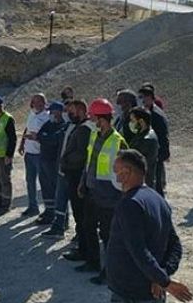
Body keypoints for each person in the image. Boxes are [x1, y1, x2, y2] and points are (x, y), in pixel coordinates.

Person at [108, 149, 192, 303]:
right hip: (152, 294)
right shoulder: (158, 199)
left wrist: (164, 281)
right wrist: (162, 275)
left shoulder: (129, 204)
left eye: (117, 172)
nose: (115, 178)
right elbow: (175, 244)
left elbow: (139, 251)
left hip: (131, 297)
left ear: (127, 172)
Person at [77, 98, 128, 285]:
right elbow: (89, 162)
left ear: (103, 118)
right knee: (88, 226)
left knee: (108, 235)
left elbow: (127, 170)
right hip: (92, 191)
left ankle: (110, 271)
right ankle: (93, 262)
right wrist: (83, 182)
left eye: (94, 118)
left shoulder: (118, 141)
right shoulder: (94, 135)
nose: (92, 121)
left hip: (109, 196)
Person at [45, 100, 94, 241]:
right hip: (65, 170)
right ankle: (59, 226)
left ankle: (82, 236)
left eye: (71, 111)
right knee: (61, 199)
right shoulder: (71, 126)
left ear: (81, 111)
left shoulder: (86, 128)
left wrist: (66, 163)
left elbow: (81, 154)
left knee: (80, 207)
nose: (68, 114)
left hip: (75, 173)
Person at [35, 101, 67, 224]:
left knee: (55, 189)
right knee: (45, 187)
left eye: (52, 111)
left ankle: (57, 215)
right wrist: (45, 137)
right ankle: (48, 211)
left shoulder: (63, 126)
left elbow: (54, 140)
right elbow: (39, 135)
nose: (50, 114)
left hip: (53, 162)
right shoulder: (49, 123)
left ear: (59, 112)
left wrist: (45, 137)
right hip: (43, 160)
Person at [18, 93, 50, 216]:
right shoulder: (31, 114)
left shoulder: (46, 117)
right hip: (29, 153)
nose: (37, 104)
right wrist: (22, 144)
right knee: (30, 181)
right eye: (35, 101)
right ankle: (33, 206)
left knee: (44, 182)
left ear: (44, 103)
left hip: (40, 154)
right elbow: (26, 129)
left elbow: (47, 136)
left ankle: (48, 209)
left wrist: (36, 138)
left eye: (39, 101)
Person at [138, 86, 170, 196]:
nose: (142, 100)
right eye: (140, 97)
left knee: (156, 182)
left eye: (144, 97)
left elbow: (163, 135)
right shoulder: (142, 112)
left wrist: (164, 154)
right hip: (146, 152)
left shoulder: (157, 115)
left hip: (156, 153)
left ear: (151, 98)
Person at [128, 108, 159, 190]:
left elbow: (133, 160)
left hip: (142, 183)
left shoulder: (147, 140)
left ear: (141, 122)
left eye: (133, 120)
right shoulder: (141, 134)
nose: (131, 123)